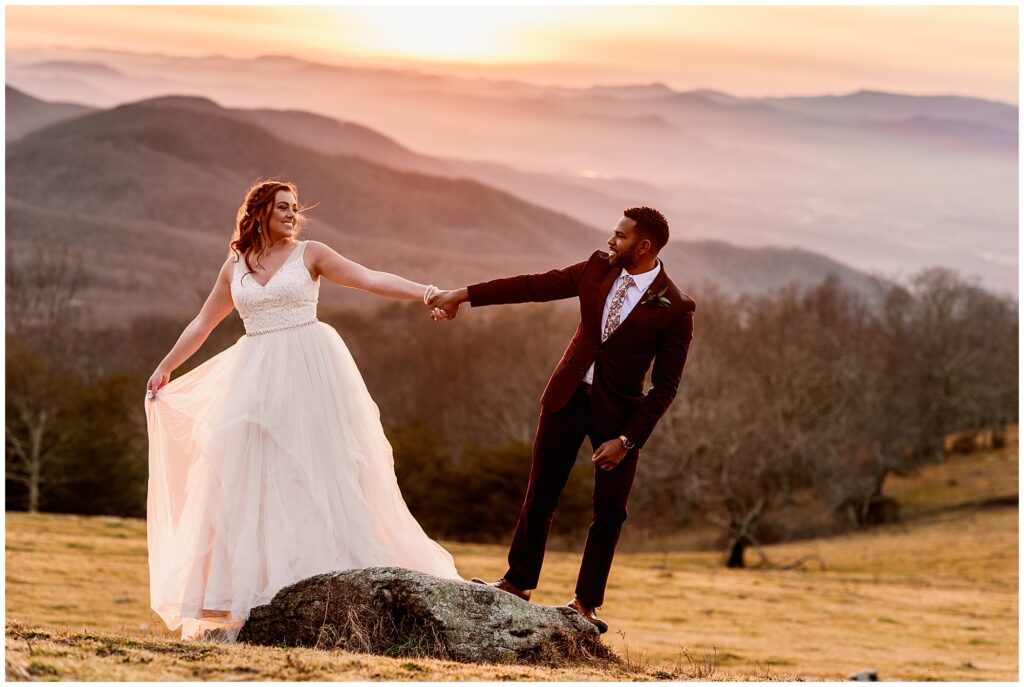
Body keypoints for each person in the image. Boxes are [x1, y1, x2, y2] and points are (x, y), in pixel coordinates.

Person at [145, 180, 458, 642]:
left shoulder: (311, 253)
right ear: (258, 213)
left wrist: (429, 292)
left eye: (295, 208)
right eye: (282, 208)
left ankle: (330, 593)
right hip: (252, 380)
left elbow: (369, 278)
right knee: (247, 482)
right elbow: (203, 322)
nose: (292, 215)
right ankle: (249, 600)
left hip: (310, 373)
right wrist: (166, 366)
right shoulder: (235, 267)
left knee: (313, 474)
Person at [431, 207, 695, 634]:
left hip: (620, 417)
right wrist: (463, 294)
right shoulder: (595, 268)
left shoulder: (676, 307)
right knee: (541, 495)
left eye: (620, 236)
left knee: (610, 512)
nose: (611, 241)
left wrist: (627, 439)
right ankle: (517, 584)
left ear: (644, 246)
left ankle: (585, 604)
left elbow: (665, 388)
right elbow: (532, 286)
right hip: (566, 398)